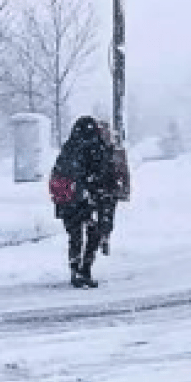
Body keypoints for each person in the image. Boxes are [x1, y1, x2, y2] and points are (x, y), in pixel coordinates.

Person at [50, 117, 113, 288]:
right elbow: (102, 172)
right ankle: (85, 268)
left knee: (75, 236)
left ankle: (75, 269)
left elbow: (59, 172)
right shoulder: (95, 147)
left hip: (68, 199)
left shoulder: (69, 147)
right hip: (87, 198)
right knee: (93, 233)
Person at [94, 120, 128, 257]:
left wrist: (125, 188)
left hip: (107, 189)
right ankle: (102, 237)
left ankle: (104, 237)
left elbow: (124, 171)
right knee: (103, 216)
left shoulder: (116, 151)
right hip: (100, 189)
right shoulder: (96, 150)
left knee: (106, 216)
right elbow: (124, 171)